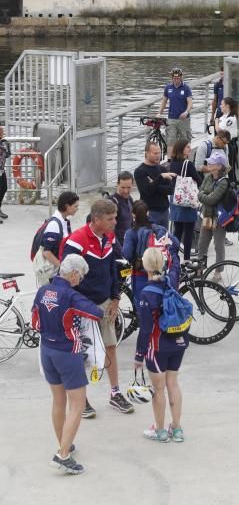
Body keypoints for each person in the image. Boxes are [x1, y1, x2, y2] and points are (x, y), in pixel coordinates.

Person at [31, 254, 104, 475]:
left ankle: (64, 443)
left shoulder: (43, 290)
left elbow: (35, 321)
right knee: (78, 404)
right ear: (73, 274)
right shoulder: (71, 295)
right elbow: (96, 313)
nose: (80, 280)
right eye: (81, 276)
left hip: (46, 350)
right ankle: (62, 455)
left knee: (58, 401)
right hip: (68, 352)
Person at [62, 199, 134, 418]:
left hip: (104, 303)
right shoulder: (76, 241)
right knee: (80, 354)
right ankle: (80, 399)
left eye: (115, 218)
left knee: (110, 347)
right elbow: (67, 276)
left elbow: (113, 270)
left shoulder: (110, 238)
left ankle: (115, 394)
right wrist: (76, 305)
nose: (116, 222)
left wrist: (115, 298)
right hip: (81, 306)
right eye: (111, 219)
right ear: (96, 219)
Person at [134, 247, 188, 443]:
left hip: (157, 347)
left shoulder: (146, 293)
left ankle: (160, 430)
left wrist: (139, 356)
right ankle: (177, 428)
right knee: (173, 383)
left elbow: (146, 329)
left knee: (159, 390)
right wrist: (172, 249)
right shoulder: (171, 281)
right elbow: (176, 265)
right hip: (179, 341)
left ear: (145, 265)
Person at [123, 200, 181, 306]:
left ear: (133, 215)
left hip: (140, 276)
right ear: (148, 213)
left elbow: (126, 254)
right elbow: (176, 244)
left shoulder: (131, 233)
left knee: (143, 306)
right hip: (160, 274)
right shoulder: (159, 230)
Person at [168, 139, 202, 263]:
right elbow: (199, 180)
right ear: (182, 149)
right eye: (187, 147)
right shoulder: (188, 164)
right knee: (188, 231)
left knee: (177, 230)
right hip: (187, 199)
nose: (189, 149)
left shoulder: (173, 163)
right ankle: (186, 258)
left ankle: (174, 256)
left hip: (176, 197)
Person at [197, 151, 230, 267]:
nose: (208, 164)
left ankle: (218, 271)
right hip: (206, 215)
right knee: (202, 244)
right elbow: (200, 192)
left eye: (212, 163)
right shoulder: (208, 177)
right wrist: (205, 195)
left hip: (218, 218)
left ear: (219, 166)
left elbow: (212, 200)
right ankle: (200, 268)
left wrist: (203, 195)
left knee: (218, 245)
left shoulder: (224, 182)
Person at [134, 142, 176, 229]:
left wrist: (154, 183)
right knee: (150, 240)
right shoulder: (140, 171)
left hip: (164, 211)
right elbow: (147, 192)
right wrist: (160, 178)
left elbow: (170, 190)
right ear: (146, 153)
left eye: (159, 153)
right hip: (150, 211)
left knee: (164, 240)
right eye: (155, 153)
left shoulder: (162, 169)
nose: (158, 156)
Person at [39, 191, 80, 279]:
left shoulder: (64, 221)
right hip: (52, 274)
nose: (77, 208)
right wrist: (63, 267)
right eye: (75, 206)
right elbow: (46, 252)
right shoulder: (54, 225)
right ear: (67, 206)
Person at [157, 67, 193, 158]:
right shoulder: (168, 88)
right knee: (170, 140)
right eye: (174, 78)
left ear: (181, 77)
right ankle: (169, 160)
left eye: (178, 78)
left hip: (184, 120)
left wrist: (186, 112)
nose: (176, 79)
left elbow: (190, 102)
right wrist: (159, 113)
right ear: (171, 78)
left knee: (185, 140)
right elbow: (164, 101)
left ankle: (185, 159)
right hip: (172, 118)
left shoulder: (186, 88)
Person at [106, 171, 134, 248]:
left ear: (133, 184)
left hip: (128, 242)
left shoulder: (129, 198)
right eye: (123, 187)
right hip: (117, 245)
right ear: (117, 184)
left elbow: (132, 221)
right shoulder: (111, 202)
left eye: (128, 187)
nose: (126, 191)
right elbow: (108, 229)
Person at [215, 97, 238, 182]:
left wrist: (216, 121)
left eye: (222, 104)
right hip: (222, 144)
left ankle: (232, 186)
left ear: (227, 106)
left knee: (230, 167)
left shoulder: (231, 118)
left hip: (230, 144)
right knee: (223, 166)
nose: (220, 106)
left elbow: (219, 130)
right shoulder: (223, 116)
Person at [0, 124, 11, 221]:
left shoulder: (3, 142)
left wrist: (7, 145)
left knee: (4, 188)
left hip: (1, 170)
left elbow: (7, 155)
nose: (3, 133)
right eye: (1, 131)